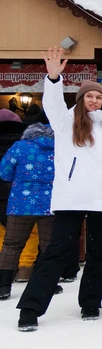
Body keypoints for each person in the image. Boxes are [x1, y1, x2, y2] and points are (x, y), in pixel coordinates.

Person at [17, 48, 102, 332]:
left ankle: (90, 303)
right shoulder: (66, 122)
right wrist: (53, 77)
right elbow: (53, 105)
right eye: (89, 96)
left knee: (97, 252)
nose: (94, 100)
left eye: (98, 97)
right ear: (81, 99)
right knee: (57, 251)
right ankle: (30, 308)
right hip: (73, 196)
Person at [0, 118, 55, 300]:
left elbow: (4, 171)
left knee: (12, 245)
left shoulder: (20, 146)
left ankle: (3, 286)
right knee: (48, 246)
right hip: (51, 204)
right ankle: (47, 283)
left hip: (20, 202)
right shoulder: (61, 148)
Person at [0, 108, 29, 283]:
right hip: (20, 193)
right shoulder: (24, 144)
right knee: (28, 233)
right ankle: (25, 267)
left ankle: (3, 268)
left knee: (3, 233)